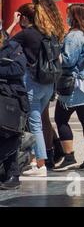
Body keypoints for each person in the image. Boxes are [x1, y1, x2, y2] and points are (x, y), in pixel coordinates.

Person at [13, 0, 65, 177]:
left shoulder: (27, 34)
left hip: (33, 83)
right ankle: (36, 160)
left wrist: (12, 24)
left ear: (25, 18)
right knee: (38, 123)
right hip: (48, 84)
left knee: (35, 124)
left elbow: (5, 45)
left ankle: (40, 164)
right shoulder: (49, 33)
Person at [52, 4, 84, 172]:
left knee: (61, 118)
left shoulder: (74, 36)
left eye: (68, 15)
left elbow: (68, 61)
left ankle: (69, 157)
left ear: (74, 17)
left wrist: (56, 54)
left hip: (75, 84)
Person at [0, 27, 29, 190]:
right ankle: (10, 174)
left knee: (10, 135)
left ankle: (13, 175)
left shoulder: (13, 47)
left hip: (11, 100)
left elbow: (17, 69)